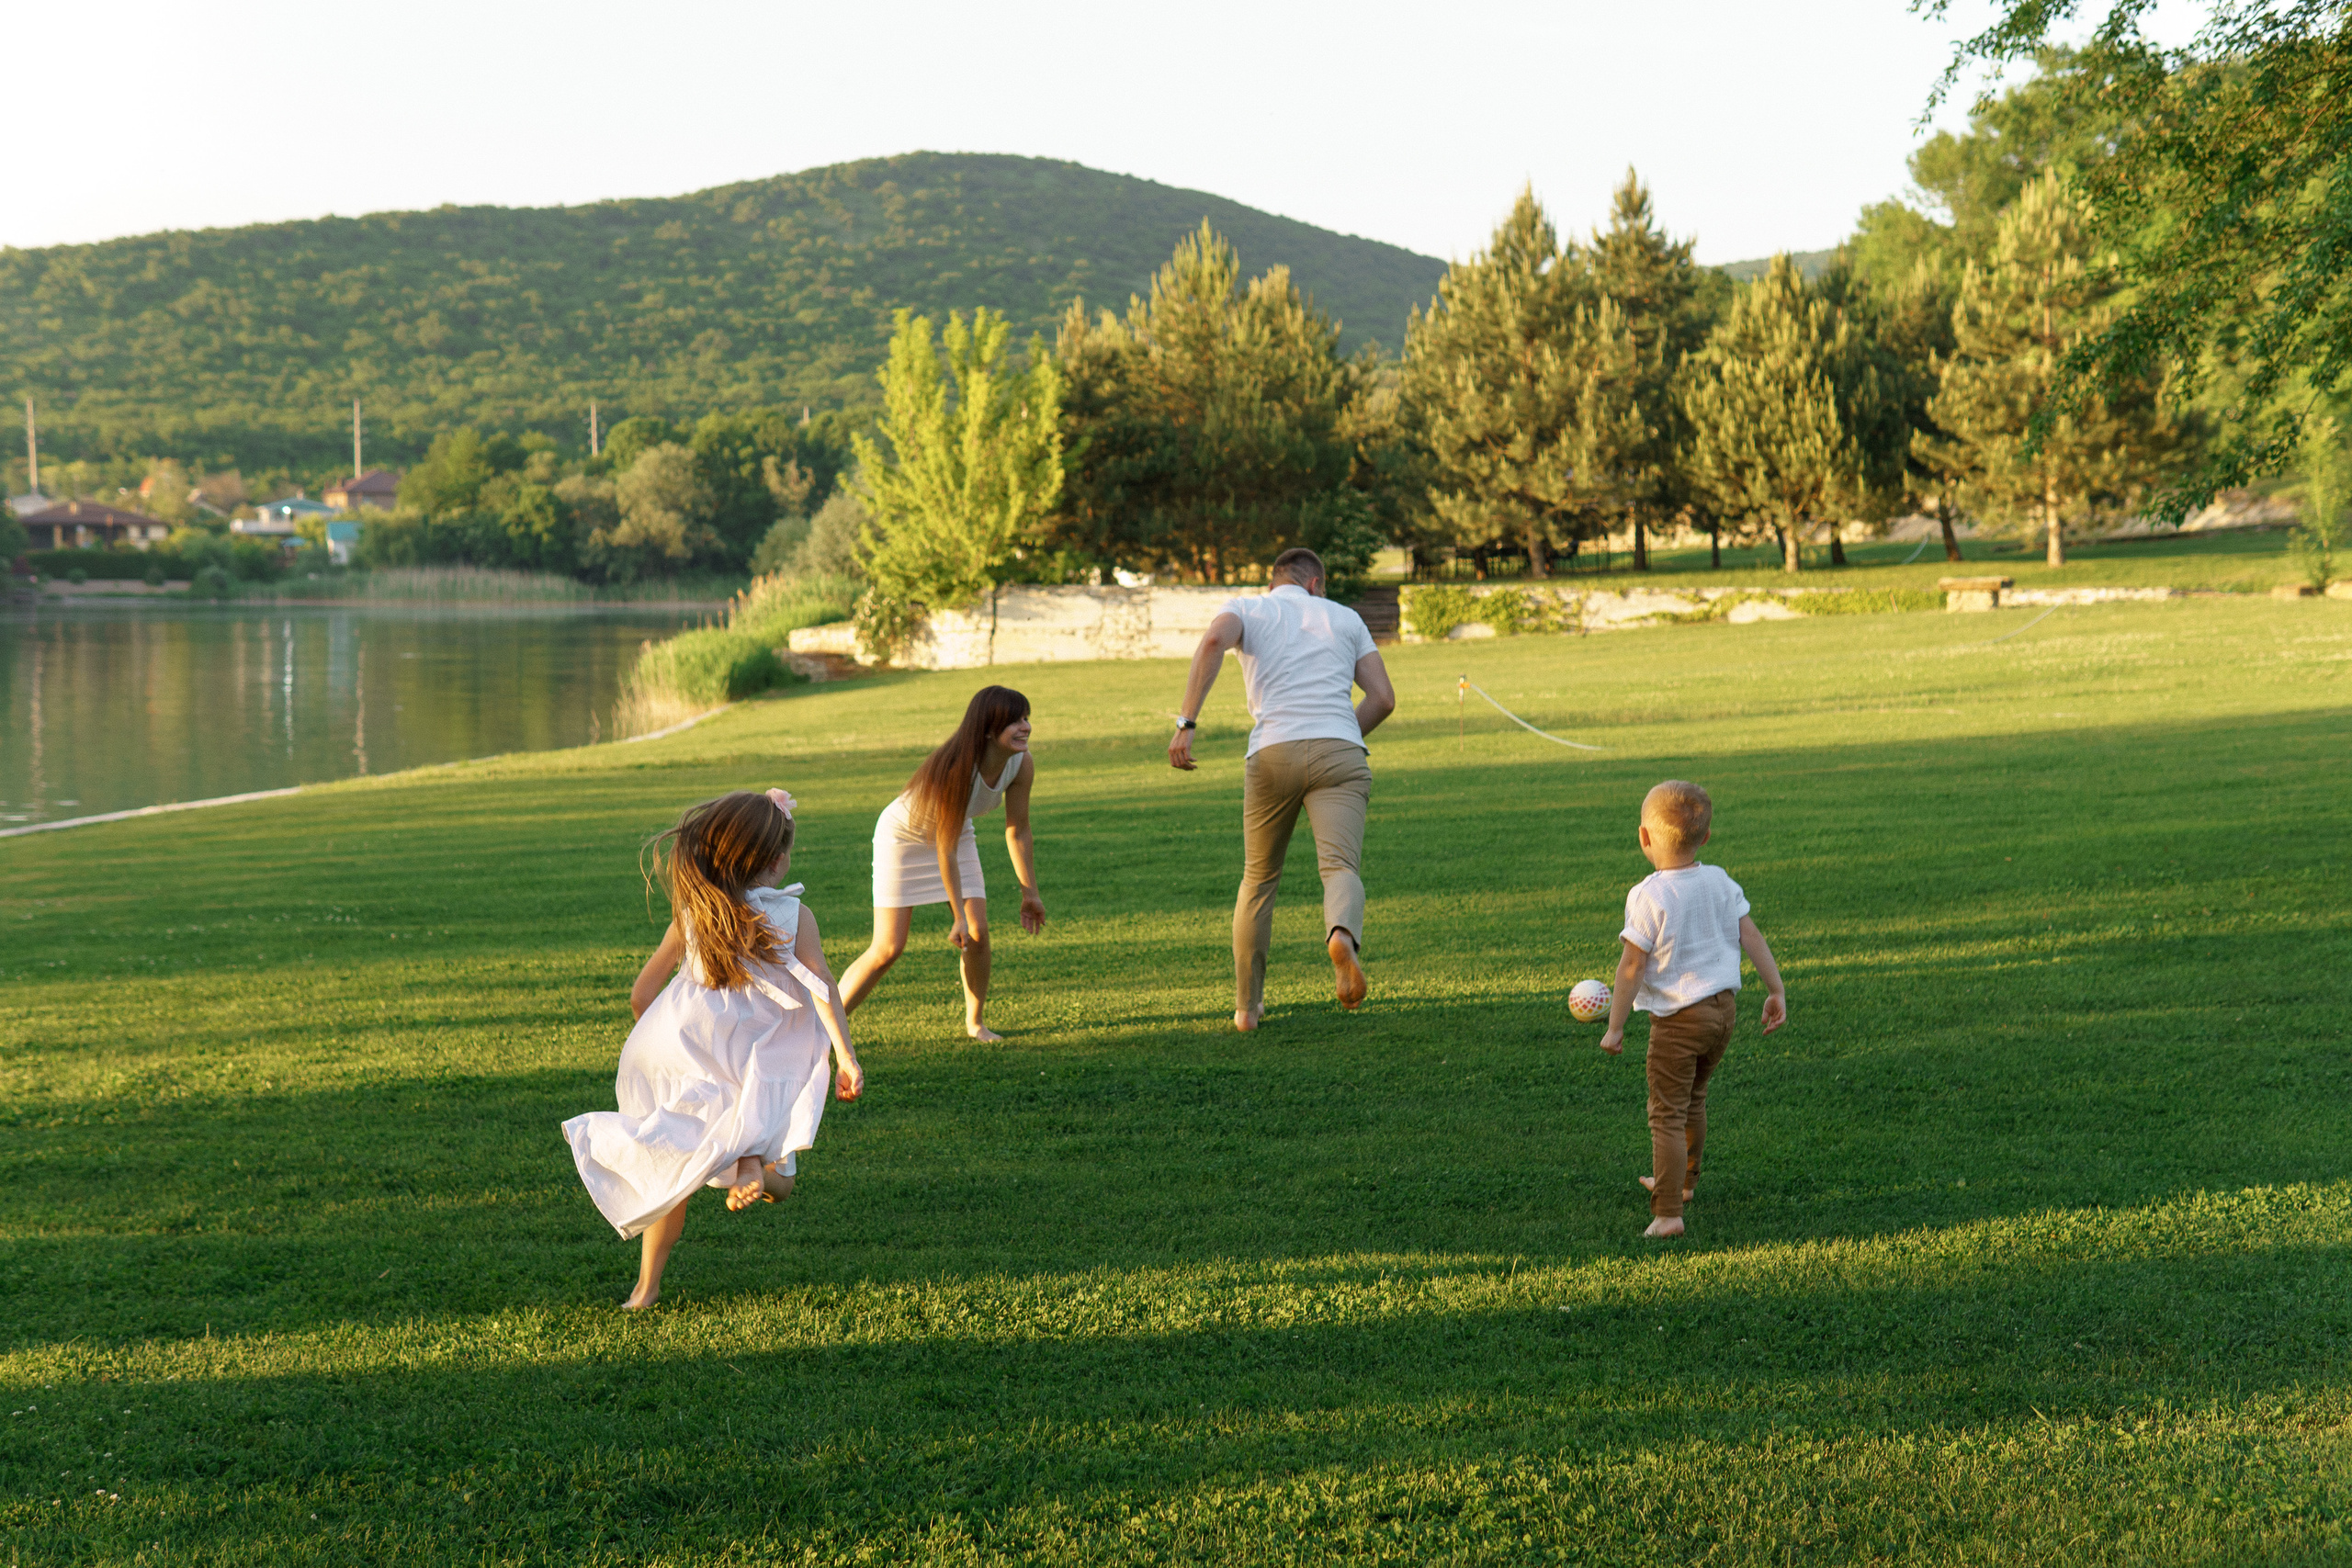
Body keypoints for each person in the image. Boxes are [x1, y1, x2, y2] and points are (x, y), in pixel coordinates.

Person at [560, 787, 864, 1310]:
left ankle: (644, 1290)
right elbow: (823, 985)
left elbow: (641, 994)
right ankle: (752, 1160)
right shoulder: (795, 917)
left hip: (683, 1053)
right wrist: (846, 1056)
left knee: (671, 1172)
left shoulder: (695, 911)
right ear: (775, 859)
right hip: (754, 1064)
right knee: (782, 1184)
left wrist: (663, 1046)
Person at [1169, 547, 1396, 1032]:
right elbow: (1382, 698)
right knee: (1339, 867)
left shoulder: (1247, 608)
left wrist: (1187, 722)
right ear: (1315, 584)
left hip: (1272, 752)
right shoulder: (1346, 617)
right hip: (1339, 749)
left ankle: (1247, 1009)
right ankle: (1341, 937)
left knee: (1259, 879)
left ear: (1276, 582)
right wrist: (1344, 734)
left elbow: (1213, 642)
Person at [1597, 780, 1788, 1238]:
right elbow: (1752, 937)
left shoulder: (1649, 895)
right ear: (1706, 836)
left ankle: (1667, 1213)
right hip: (1723, 1013)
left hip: (1679, 1021)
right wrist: (1775, 989)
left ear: (1643, 837)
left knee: (1666, 1111)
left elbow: (1631, 966)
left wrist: (1615, 1027)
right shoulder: (1719, 880)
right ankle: (1683, 1184)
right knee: (1693, 1100)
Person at [840, 685, 1046, 1041]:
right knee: (888, 948)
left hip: (955, 831)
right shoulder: (956, 769)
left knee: (978, 934)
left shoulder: (1020, 763)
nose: (1024, 727)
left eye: (1026, 718)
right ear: (986, 729)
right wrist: (957, 916)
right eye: (1013, 722)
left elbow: (1018, 830)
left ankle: (975, 1023)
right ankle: (821, 1025)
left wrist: (1031, 893)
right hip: (903, 837)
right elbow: (943, 850)